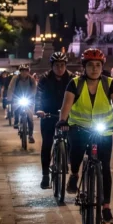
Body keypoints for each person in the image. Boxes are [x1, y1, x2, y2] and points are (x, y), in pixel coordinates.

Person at [58, 48, 113, 224]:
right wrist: (63, 121)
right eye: (90, 65)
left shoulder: (109, 83)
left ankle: (106, 207)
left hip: (103, 130)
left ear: (102, 67)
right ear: (84, 67)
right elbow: (66, 105)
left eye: (98, 65)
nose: (94, 69)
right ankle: (74, 174)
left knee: (104, 167)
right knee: (75, 153)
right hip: (79, 128)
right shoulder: (74, 83)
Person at [35, 52, 73, 189]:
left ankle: (66, 159)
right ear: (52, 66)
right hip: (48, 114)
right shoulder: (44, 78)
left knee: (73, 140)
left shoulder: (72, 78)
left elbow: (79, 96)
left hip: (67, 115)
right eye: (57, 65)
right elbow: (38, 95)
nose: (60, 68)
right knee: (47, 144)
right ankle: (45, 175)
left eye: (62, 65)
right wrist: (39, 110)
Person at [7, 65, 37, 141]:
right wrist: (9, 99)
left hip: (29, 98)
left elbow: (34, 89)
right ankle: (16, 121)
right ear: (20, 71)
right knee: (16, 108)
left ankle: (30, 135)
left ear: (28, 71)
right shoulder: (15, 79)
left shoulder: (31, 79)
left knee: (30, 117)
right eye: (22, 71)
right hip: (18, 97)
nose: (24, 72)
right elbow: (11, 88)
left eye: (26, 71)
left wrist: (33, 96)